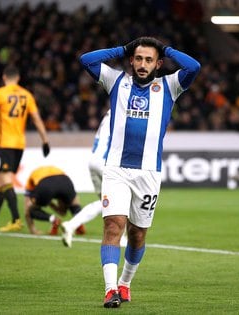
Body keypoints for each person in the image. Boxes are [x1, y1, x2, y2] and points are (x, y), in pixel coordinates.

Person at [80, 36, 200, 308]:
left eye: (149, 60)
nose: (143, 64)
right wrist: (123, 48)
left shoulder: (169, 86)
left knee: (137, 234)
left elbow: (194, 67)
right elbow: (86, 60)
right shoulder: (115, 81)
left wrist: (166, 49)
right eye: (138, 59)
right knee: (113, 226)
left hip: (148, 174)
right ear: (131, 61)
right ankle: (110, 289)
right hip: (116, 170)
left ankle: (125, 283)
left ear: (158, 64)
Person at [0, 65, 50, 232]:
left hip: (5, 143)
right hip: (19, 145)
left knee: (6, 181)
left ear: (4, 77)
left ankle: (16, 219)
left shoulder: (0, 93)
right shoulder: (27, 95)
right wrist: (45, 141)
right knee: (1, 183)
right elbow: (37, 119)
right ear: (18, 78)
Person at [61, 110, 127, 248]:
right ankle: (122, 237)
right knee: (122, 200)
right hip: (106, 163)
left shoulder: (107, 116)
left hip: (93, 161)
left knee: (106, 203)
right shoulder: (121, 114)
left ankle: (71, 225)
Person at [24, 165, 85, 235]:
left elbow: (27, 209)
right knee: (74, 204)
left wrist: (32, 230)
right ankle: (79, 222)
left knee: (32, 210)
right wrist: (52, 204)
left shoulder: (31, 179)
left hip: (45, 184)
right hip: (65, 180)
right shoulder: (56, 170)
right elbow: (64, 211)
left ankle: (53, 220)